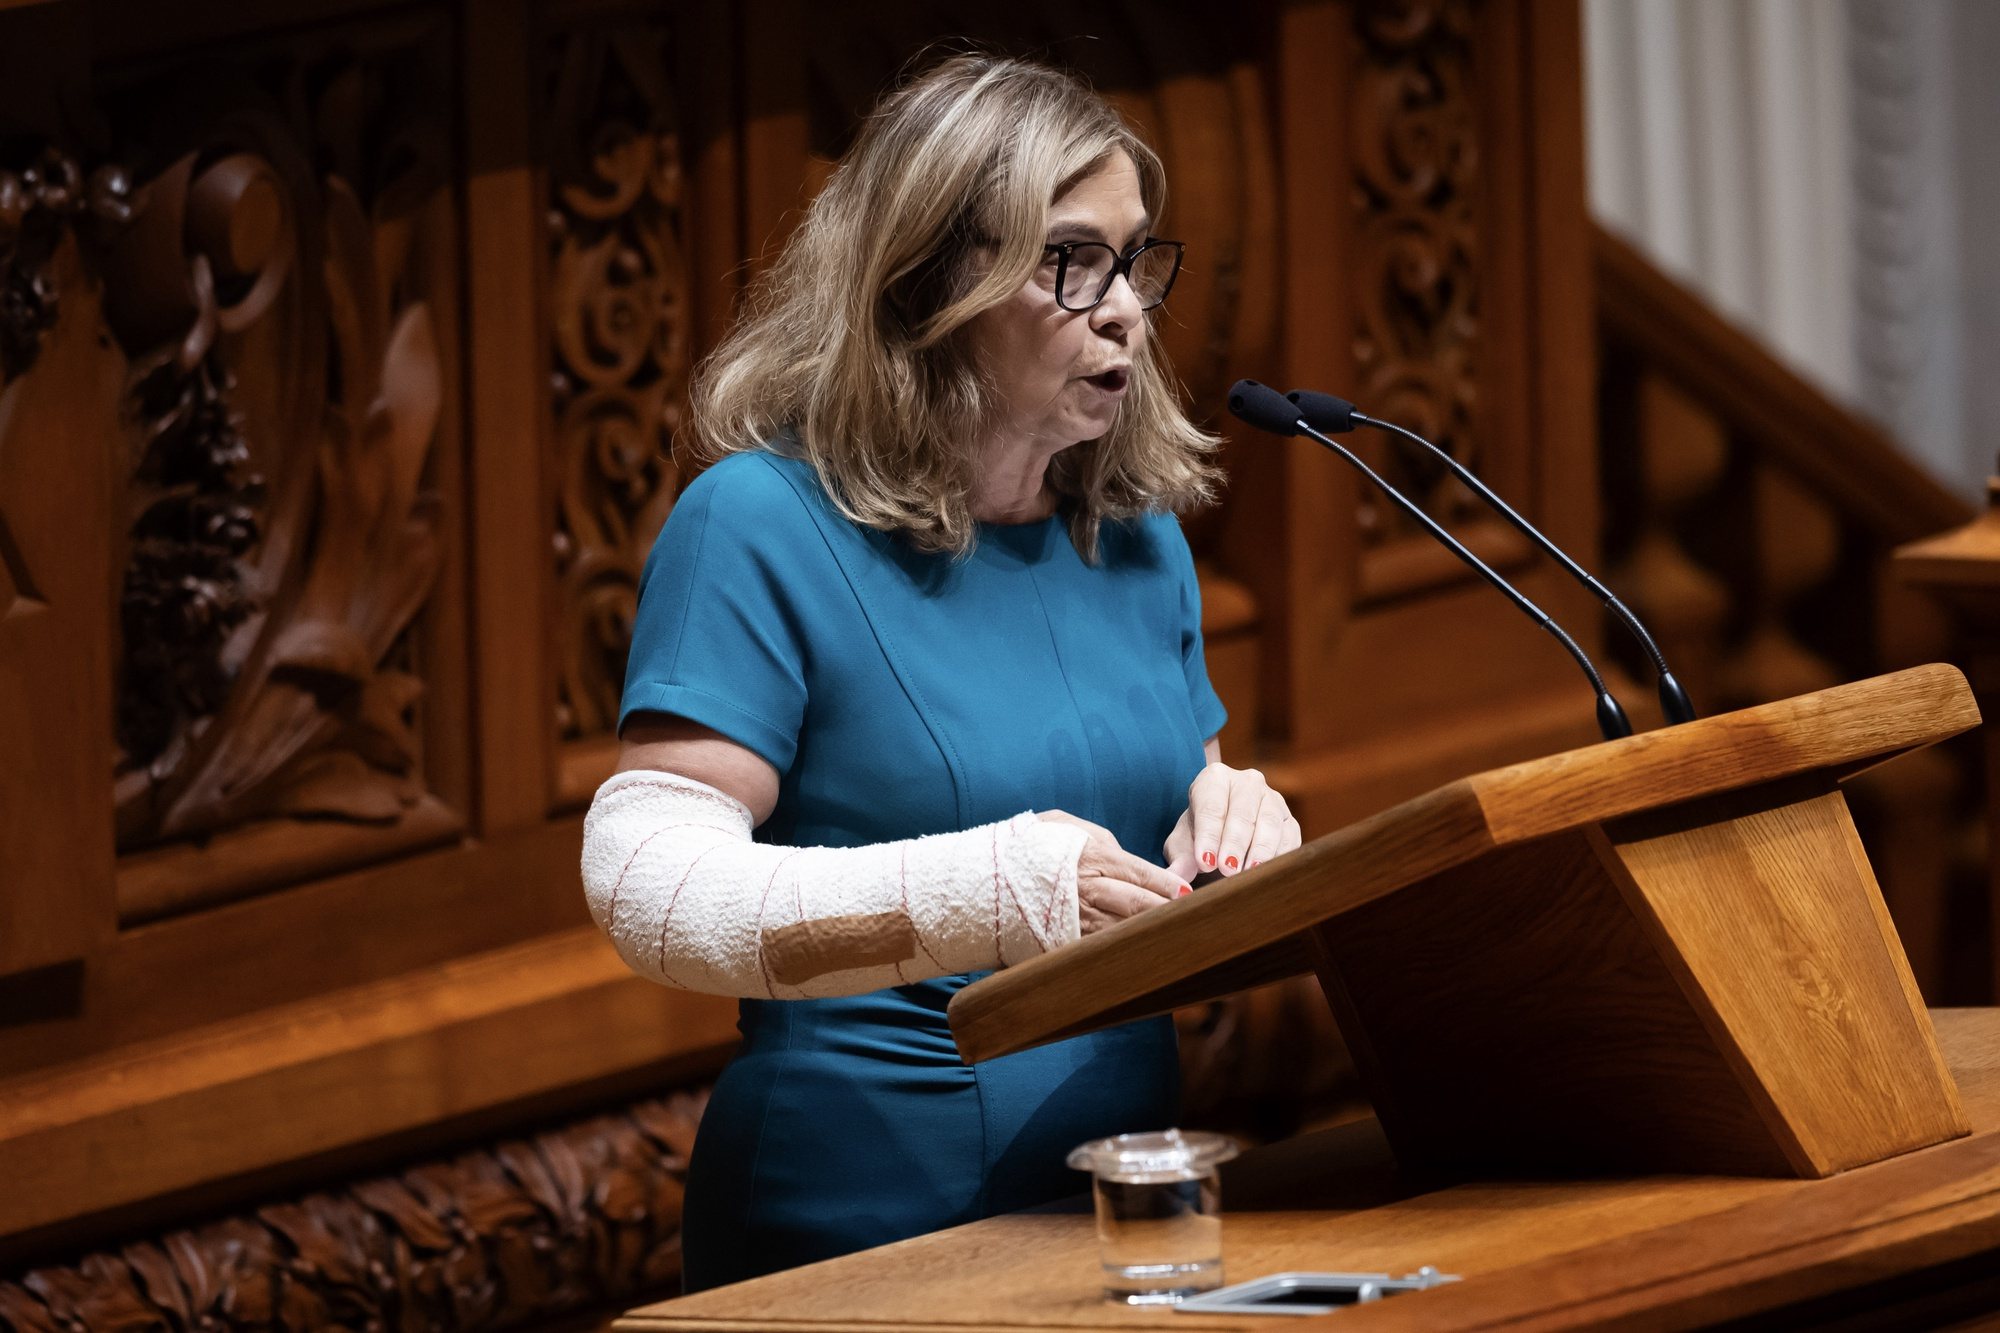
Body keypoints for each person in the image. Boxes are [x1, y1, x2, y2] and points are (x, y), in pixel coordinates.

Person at [580, 52, 1301, 1292]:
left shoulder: (1133, 534)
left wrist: (1243, 825)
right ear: (930, 280)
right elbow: (651, 887)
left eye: (1136, 261)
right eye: (1070, 260)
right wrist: (996, 887)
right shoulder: (757, 522)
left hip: (1123, 1198)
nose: (1125, 306)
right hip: (856, 1217)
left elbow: (1166, 818)